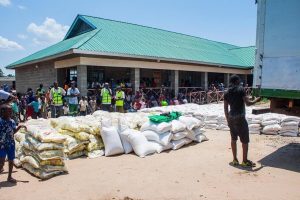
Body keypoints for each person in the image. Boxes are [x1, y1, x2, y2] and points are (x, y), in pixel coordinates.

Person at [224, 75, 261, 168]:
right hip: (240, 118)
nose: (240, 82)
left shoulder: (226, 92)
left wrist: (228, 120)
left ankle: (235, 160)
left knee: (233, 139)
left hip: (231, 117)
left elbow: (225, 108)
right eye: (239, 81)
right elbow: (248, 103)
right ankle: (244, 161)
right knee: (244, 140)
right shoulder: (241, 90)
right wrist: (257, 100)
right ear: (236, 81)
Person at [0, 104, 26, 183]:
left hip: (11, 144)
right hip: (1, 145)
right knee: (1, 162)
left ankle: (9, 177)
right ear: (3, 112)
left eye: (11, 111)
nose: (10, 113)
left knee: (11, 161)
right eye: (9, 111)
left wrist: (20, 127)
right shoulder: (0, 121)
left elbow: (13, 131)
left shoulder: (12, 121)